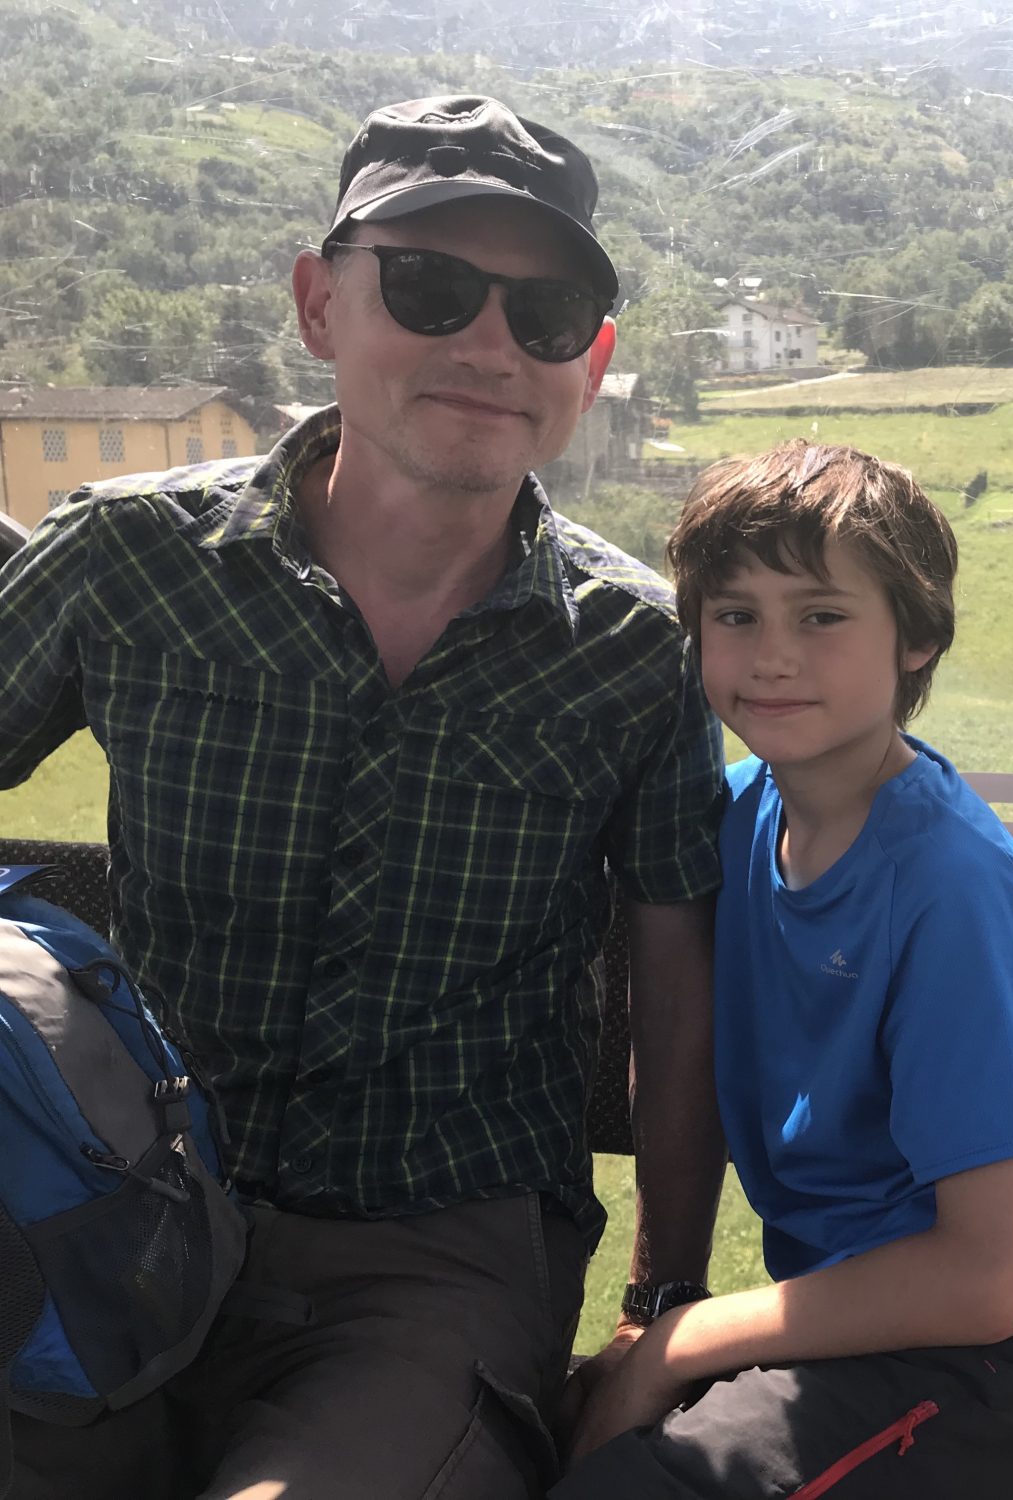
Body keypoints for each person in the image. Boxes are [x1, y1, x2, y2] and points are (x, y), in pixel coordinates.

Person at [0, 96, 726, 1500]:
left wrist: (664, 1305)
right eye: (434, 286)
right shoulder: (130, 563)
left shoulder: (631, 652)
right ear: (318, 302)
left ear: (595, 360)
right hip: (110, 1211)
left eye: (548, 312)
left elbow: (676, 989)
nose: (489, 347)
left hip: (436, 1261)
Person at [557, 440, 1013, 1498]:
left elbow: (983, 1279)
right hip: (850, 1328)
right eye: (734, 616)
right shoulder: (738, 820)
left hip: (995, 1364)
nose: (772, 656)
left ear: (915, 639)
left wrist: (681, 1344)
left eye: (820, 616)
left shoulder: (944, 886)